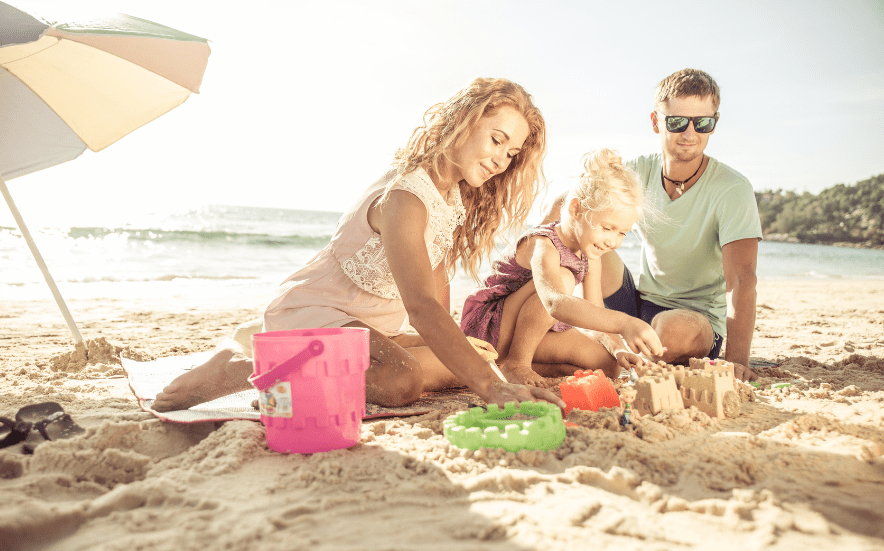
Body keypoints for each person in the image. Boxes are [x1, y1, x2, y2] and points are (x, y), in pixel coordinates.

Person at [154, 77, 564, 411]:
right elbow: (420, 306)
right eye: (496, 140)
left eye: (511, 153)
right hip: (315, 313)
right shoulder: (406, 197)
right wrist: (492, 389)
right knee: (402, 381)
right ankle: (243, 368)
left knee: (476, 357)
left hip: (371, 330)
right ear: (463, 122)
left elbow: (435, 290)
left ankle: (294, 357)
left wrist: (465, 355)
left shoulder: (451, 200)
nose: (500, 160)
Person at [543, 69, 762, 381]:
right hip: (637, 301)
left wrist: (737, 360)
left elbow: (742, 279)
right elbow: (570, 205)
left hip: (694, 320)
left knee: (671, 330)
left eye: (702, 123)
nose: (690, 133)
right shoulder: (638, 173)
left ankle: (616, 351)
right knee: (572, 216)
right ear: (656, 121)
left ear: (714, 124)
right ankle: (524, 313)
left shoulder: (733, 189)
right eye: (676, 122)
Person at [460, 148, 664, 388]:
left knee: (609, 366)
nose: (614, 242)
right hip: (492, 326)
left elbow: (595, 311)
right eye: (607, 228)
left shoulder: (591, 253)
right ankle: (517, 363)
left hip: (530, 332)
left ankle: (503, 364)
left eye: (622, 233)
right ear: (575, 209)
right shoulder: (543, 243)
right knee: (564, 279)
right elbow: (554, 302)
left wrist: (619, 348)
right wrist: (625, 322)